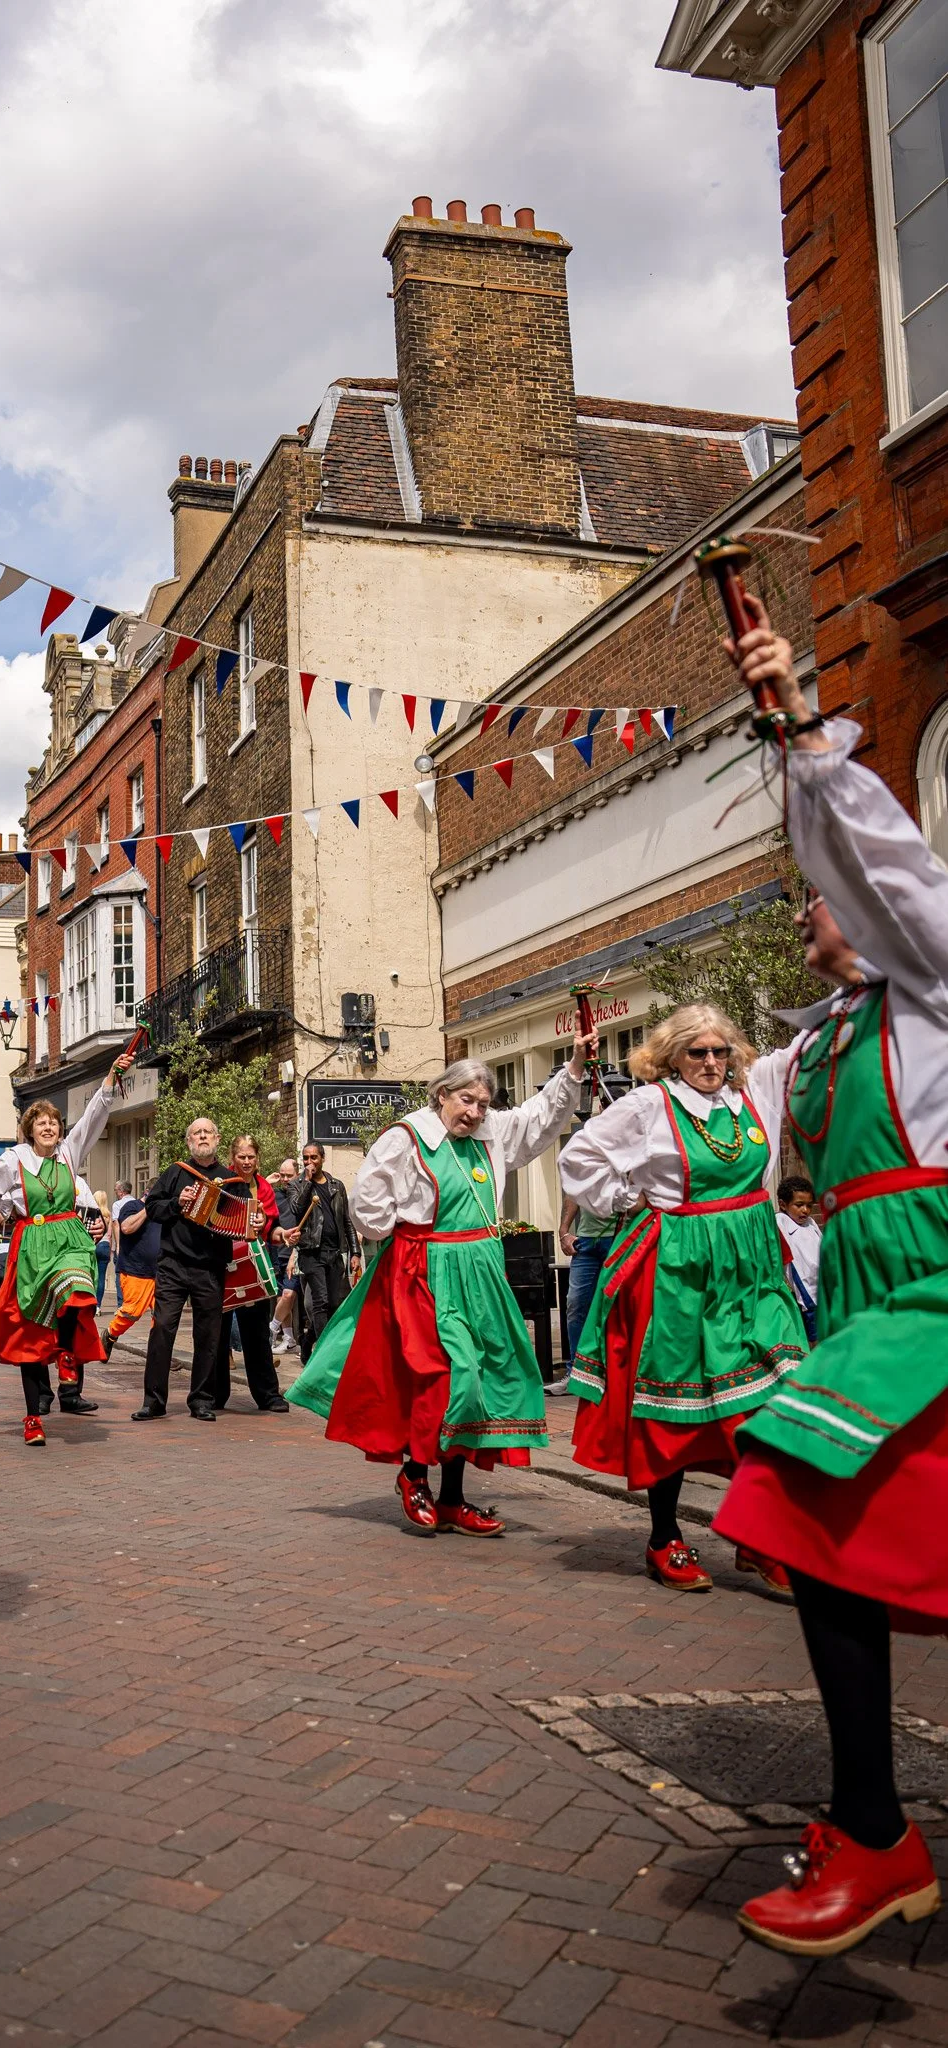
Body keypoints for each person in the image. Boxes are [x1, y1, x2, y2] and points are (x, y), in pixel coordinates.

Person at [703, 602, 948, 1955]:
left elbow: (885, 864)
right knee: (834, 1533)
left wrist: (795, 723)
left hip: (929, 1289)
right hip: (870, 1296)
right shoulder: (830, 1033)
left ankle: (871, 1830)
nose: (813, 896)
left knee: (802, 1500)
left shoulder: (933, 970)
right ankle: (873, 1826)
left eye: (821, 886)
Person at [290, 1035, 595, 1533]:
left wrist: (577, 1065)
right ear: (442, 1095)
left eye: (482, 1103)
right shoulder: (407, 1138)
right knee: (449, 1378)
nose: (474, 1112)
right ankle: (414, 1475)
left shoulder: (492, 1132)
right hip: (427, 1272)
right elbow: (367, 1208)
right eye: (465, 1100)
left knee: (481, 1381)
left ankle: (452, 1498)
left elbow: (541, 1115)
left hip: (482, 1272)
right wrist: (407, 1238)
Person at [560, 1005, 804, 1595]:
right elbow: (577, 1161)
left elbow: (813, 1043)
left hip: (752, 1264)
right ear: (671, 1057)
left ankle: (757, 1532)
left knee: (779, 1395)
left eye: (721, 1051)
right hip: (679, 1267)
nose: (712, 1063)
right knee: (675, 1406)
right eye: (698, 1052)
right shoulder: (648, 1106)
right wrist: (629, 1200)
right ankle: (664, 1537)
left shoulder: (757, 1090)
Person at [0, 1061, 132, 1444]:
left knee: (78, 1291)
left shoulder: (69, 1154)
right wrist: (6, 1210)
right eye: (41, 1123)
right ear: (29, 1129)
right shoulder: (14, 1159)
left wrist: (110, 1078)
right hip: (33, 1244)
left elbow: (93, 1116)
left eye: (54, 1122)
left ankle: (70, 1358)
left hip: (69, 1238)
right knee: (30, 1330)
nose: (49, 1128)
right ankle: (32, 1417)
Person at [134, 1118, 235, 1421]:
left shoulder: (230, 1180)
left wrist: (255, 1223)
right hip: (173, 1264)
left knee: (208, 1337)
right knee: (162, 1329)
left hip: (210, 1267)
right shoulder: (176, 1172)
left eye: (207, 1132)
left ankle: (202, 1400)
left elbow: (242, 1219)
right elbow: (152, 1208)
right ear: (189, 1141)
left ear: (217, 1138)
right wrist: (177, 1203)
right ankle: (154, 1401)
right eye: (196, 1133)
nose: (202, 1136)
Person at [212, 1135, 290, 1413]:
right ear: (233, 1158)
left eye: (251, 1157)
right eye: (242, 1157)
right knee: (217, 1334)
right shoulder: (221, 1181)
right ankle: (214, 1394)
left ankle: (268, 1394)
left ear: (258, 1158)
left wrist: (281, 1233)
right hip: (222, 1265)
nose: (247, 1162)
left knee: (257, 1333)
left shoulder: (264, 1188)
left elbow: (272, 1229)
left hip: (253, 1267)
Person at [284, 1143, 359, 1360]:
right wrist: (307, 1182)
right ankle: (326, 1355)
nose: (309, 1162)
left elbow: (346, 1220)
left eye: (313, 1158)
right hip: (310, 1252)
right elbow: (297, 1209)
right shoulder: (296, 1184)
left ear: (322, 1158)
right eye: (306, 1158)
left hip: (334, 1253)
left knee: (334, 1303)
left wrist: (354, 1251)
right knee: (321, 1302)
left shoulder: (337, 1185)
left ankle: (308, 1340)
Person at [558, 1191, 615, 1373]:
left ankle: (615, 1374)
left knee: (615, 1307)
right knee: (576, 1304)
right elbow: (574, 1192)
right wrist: (564, 1231)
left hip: (619, 1236)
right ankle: (576, 1372)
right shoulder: (584, 1162)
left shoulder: (628, 1161)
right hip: (586, 1240)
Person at [104, 1188, 160, 1351]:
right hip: (136, 1270)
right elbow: (126, 1228)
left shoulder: (163, 1211)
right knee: (131, 1313)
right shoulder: (131, 1206)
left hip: (161, 1272)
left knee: (163, 1318)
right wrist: (149, 1208)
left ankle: (158, 1353)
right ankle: (109, 1334)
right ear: (148, 1192)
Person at [776, 1174, 821, 1345]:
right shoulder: (781, 1221)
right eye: (799, 1205)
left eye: (809, 1206)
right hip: (804, 1291)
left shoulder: (810, 1223)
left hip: (820, 1286)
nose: (805, 1210)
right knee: (812, 1336)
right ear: (783, 1204)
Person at [269, 1158, 300, 1354]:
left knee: (288, 1295)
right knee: (282, 1297)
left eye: (290, 1175)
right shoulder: (275, 1194)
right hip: (277, 1252)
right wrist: (267, 1181)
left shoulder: (302, 1195)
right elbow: (253, 1199)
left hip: (295, 1254)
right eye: (282, 1175)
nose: (286, 1179)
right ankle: (289, 1338)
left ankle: (271, 1329)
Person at [91, 1189, 114, 1309]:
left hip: (94, 1245)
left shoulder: (93, 1213)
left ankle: (90, 1303)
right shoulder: (108, 1214)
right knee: (101, 1277)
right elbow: (109, 1235)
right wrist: (110, 1250)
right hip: (105, 1245)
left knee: (91, 1276)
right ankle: (98, 1306)